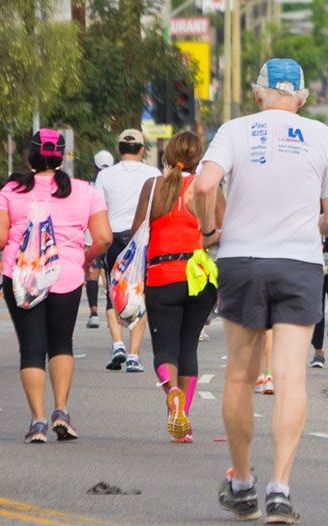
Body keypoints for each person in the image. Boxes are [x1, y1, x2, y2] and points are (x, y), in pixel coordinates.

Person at [191, 58, 328, 524]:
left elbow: (203, 185)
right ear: (300, 98)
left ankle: (242, 483)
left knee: (240, 374)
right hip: (298, 261)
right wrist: (310, 226)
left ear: (259, 94)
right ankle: (280, 488)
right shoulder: (321, 135)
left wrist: (209, 226)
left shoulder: (236, 129)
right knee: (290, 378)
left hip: (242, 258)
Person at [0, 129, 112, 443]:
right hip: (66, 274)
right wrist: (82, 258)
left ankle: (38, 422)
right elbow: (103, 239)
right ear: (61, 156)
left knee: (31, 347)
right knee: (61, 344)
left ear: (30, 155)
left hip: (22, 277)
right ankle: (61, 411)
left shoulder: (10, 190)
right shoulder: (85, 190)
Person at [133, 131, 222, 443]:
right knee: (189, 347)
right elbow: (221, 231)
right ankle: (185, 416)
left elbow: (137, 231)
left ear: (168, 154)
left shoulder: (153, 186)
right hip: (198, 276)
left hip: (161, 275)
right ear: (200, 157)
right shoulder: (206, 187)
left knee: (165, 348)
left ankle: (171, 395)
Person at [94, 129, 161, 373]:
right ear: (142, 150)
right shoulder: (153, 174)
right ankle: (134, 355)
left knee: (114, 293)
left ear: (119, 148)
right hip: (142, 240)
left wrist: (93, 245)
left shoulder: (105, 176)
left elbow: (98, 211)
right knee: (140, 294)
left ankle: (117, 344)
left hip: (113, 240)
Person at [84, 151, 117, 328]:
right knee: (112, 274)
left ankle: (94, 312)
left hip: (93, 233)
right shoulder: (114, 181)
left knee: (92, 274)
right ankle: (113, 308)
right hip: (112, 232)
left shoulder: (89, 186)